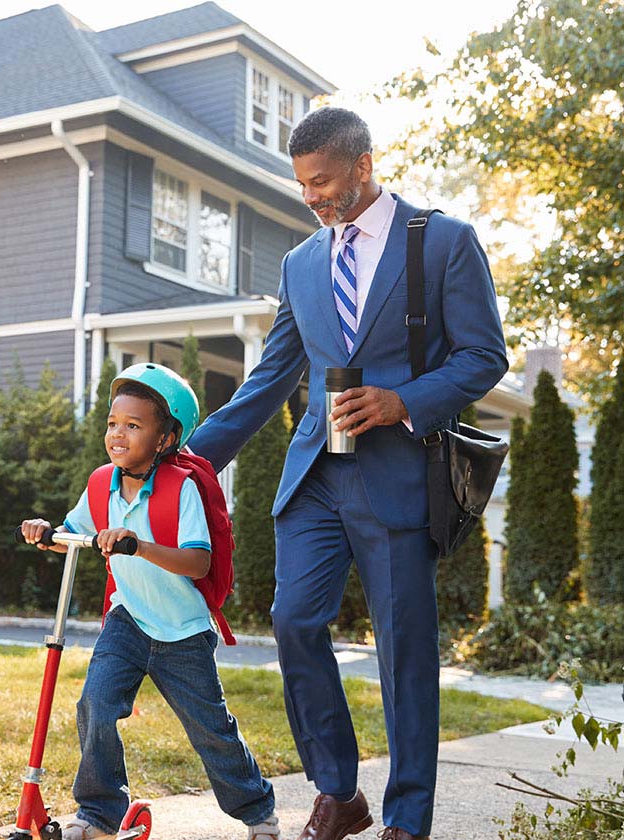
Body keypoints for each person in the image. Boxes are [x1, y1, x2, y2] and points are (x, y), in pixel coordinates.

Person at [187, 107, 508, 840]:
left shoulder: (443, 242)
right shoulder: (302, 262)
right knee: (293, 621)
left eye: (323, 181)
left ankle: (407, 818)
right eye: (303, 186)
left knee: (403, 652)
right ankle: (338, 791)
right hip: (317, 479)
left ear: (363, 165)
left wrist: (404, 401)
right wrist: (187, 460)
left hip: (398, 481)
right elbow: (268, 378)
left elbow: (485, 356)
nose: (313, 198)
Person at [21, 363, 279, 840]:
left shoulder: (182, 489)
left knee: (210, 730)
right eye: (113, 424)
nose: (118, 435)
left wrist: (137, 544)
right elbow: (73, 534)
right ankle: (99, 814)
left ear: (165, 440)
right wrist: (45, 534)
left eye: (134, 426)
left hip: (182, 631)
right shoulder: (102, 483)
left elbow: (198, 563)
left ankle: (258, 810)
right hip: (128, 619)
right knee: (96, 705)